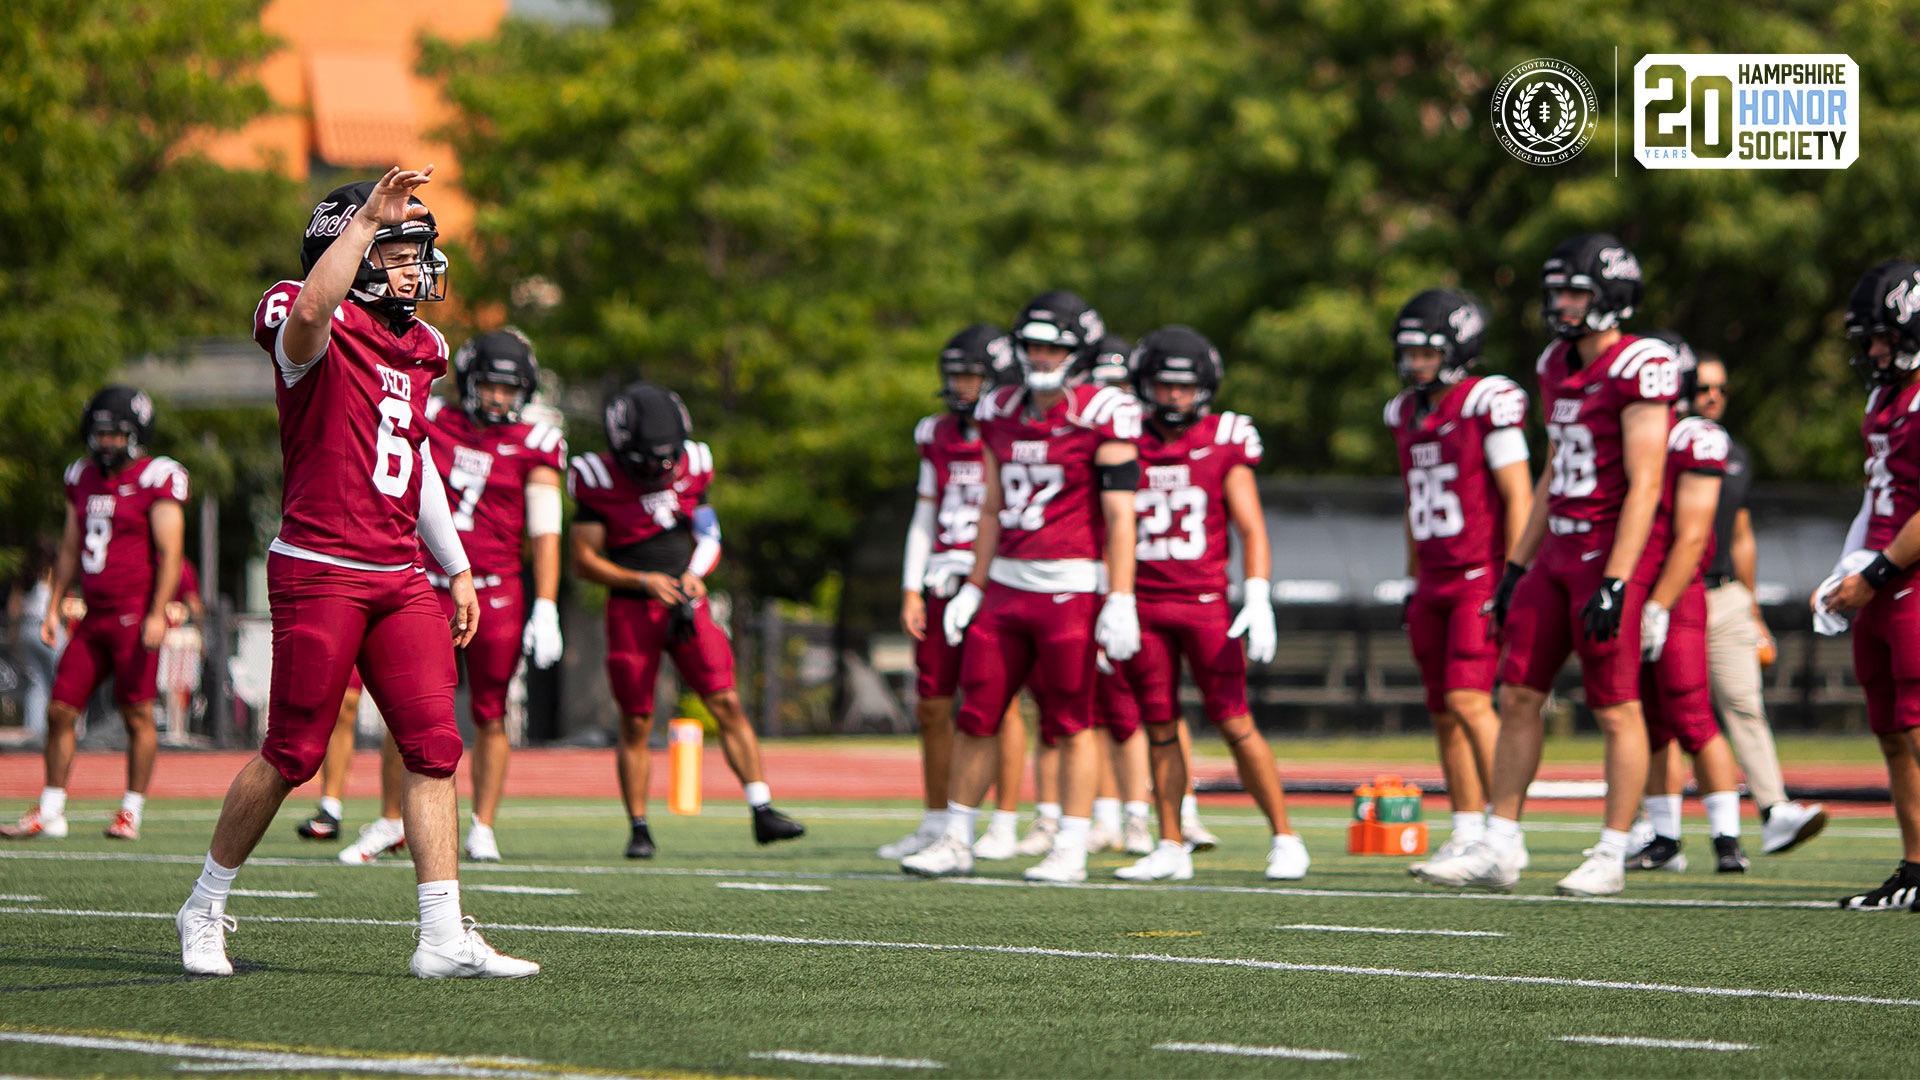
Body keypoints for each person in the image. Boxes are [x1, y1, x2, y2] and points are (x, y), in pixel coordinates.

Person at [175, 167, 538, 978]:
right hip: (321, 567)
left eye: (416, 252)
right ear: (358, 249)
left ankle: (441, 934)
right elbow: (310, 309)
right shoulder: (307, 318)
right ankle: (203, 904)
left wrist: (459, 566)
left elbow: (414, 463)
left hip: (399, 571)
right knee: (293, 752)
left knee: (434, 745)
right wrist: (368, 219)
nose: (417, 267)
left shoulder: (422, 347)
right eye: (399, 251)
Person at [1415, 233, 1678, 897]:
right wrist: (1515, 567)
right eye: (1558, 290)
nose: (1561, 303)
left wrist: (1619, 580)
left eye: (1575, 292)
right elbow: (1555, 472)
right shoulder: (1556, 363)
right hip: (1556, 548)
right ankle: (1500, 842)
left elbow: (1646, 485)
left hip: (1606, 551)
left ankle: (1614, 851)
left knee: (1616, 706)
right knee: (1518, 693)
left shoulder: (1640, 364)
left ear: (1611, 298)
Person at [902, 289, 1140, 883]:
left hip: (1070, 587)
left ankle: (1071, 845)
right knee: (977, 713)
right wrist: (974, 587)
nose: (1040, 355)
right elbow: (989, 508)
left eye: (1053, 346)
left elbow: (1120, 517)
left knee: (1070, 721)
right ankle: (956, 837)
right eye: (1032, 344)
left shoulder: (1103, 412)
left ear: (1078, 351)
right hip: (1006, 585)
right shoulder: (999, 410)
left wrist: (1122, 596)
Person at [330, 328, 567, 865]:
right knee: (405, 707)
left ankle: (483, 826)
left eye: (510, 390)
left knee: (491, 712)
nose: (500, 399)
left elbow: (545, 531)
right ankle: (392, 819)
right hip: (427, 582)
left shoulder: (537, 442)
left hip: (496, 589)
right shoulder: (433, 417)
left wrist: (546, 604)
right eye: (490, 387)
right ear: (467, 382)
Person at [569, 381, 805, 858]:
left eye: (667, 456)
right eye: (648, 458)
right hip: (633, 606)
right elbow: (583, 559)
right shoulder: (594, 474)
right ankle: (639, 827)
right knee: (636, 719)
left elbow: (708, 532)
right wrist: (641, 580)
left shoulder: (695, 461)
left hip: (686, 599)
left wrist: (696, 575)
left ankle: (762, 809)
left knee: (727, 701)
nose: (660, 467)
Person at [1107, 327, 1308, 883]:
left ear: (1206, 387)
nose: (1173, 397)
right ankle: (1170, 842)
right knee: (1160, 725)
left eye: (1184, 387)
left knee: (1234, 720)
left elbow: (1251, 526)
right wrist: (1112, 600)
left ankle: (1285, 836)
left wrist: (1260, 591)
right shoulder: (1123, 439)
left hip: (1204, 602)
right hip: (1144, 604)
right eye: (1163, 386)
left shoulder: (1226, 437)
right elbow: (1107, 522)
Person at [1381, 289, 1533, 873]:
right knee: (1444, 708)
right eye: (1409, 352)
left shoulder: (1485, 402)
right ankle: (1467, 829)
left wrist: (1513, 575)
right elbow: (1411, 505)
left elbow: (1519, 494)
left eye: (1426, 352)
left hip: (1478, 575)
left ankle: (1503, 834)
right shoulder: (1405, 413)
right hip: (1435, 578)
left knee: (1471, 700)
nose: (1414, 362)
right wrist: (1413, 578)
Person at [2, 388, 186, 842]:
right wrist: (51, 606)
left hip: (134, 615)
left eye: (115, 434)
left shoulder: (156, 476)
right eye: (99, 434)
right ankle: (51, 809)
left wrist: (158, 612)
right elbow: (68, 547)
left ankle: (131, 810)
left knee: (137, 714)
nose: (105, 443)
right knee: (61, 709)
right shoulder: (80, 476)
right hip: (93, 616)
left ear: (136, 435)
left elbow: (171, 552)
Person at [888, 324, 1030, 862]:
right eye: (955, 375)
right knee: (932, 704)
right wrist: (911, 588)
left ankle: (1005, 821)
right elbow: (925, 515)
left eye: (972, 376)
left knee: (1000, 703)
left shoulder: (1011, 430)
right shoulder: (935, 433)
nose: (962, 386)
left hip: (994, 579)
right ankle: (936, 818)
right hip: (942, 578)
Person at [1687, 353, 1828, 854]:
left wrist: (1751, 606)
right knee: (1667, 717)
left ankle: (1775, 810)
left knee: (1745, 706)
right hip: (1674, 596)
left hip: (1723, 596)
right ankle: (1652, 829)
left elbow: (1741, 534)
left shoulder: (1734, 453)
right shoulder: (1659, 445)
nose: (1713, 397)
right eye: (1704, 387)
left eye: (1721, 389)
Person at [1622, 332, 1747, 873]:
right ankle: (1665, 836)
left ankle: (1727, 837)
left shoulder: (1696, 437)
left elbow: (1693, 538)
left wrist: (1660, 605)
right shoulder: (1633, 432)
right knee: (1651, 720)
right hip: (1638, 588)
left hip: (1678, 593)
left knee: (1692, 714)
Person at [1818, 260, 1920, 911]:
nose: (1876, 351)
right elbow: (1875, 496)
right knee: (1889, 729)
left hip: (1912, 579)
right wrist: (1848, 566)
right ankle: (1914, 866)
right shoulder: (1883, 398)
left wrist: (1877, 570)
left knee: (1916, 728)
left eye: (1885, 336)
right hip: (1882, 579)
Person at [7, 536, 64, 748]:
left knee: (36, 682)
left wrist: (15, 636)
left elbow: (13, 609)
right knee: (62, 679)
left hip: (25, 629)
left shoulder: (22, 577)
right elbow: (56, 606)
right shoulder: (51, 574)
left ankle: (34, 730)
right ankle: (65, 729)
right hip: (45, 628)